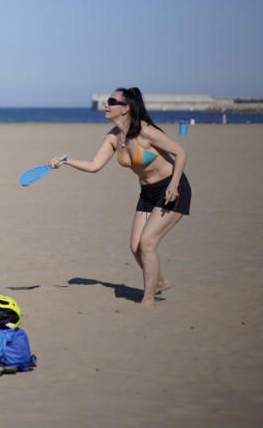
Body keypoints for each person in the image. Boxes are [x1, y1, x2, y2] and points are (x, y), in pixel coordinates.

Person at [50, 87, 190, 308]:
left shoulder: (146, 131)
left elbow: (180, 152)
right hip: (147, 192)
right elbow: (94, 165)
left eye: (111, 101)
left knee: (147, 243)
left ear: (125, 109)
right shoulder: (113, 137)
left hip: (172, 188)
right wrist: (66, 161)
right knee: (135, 247)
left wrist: (174, 184)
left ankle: (149, 300)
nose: (106, 105)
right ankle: (159, 281)